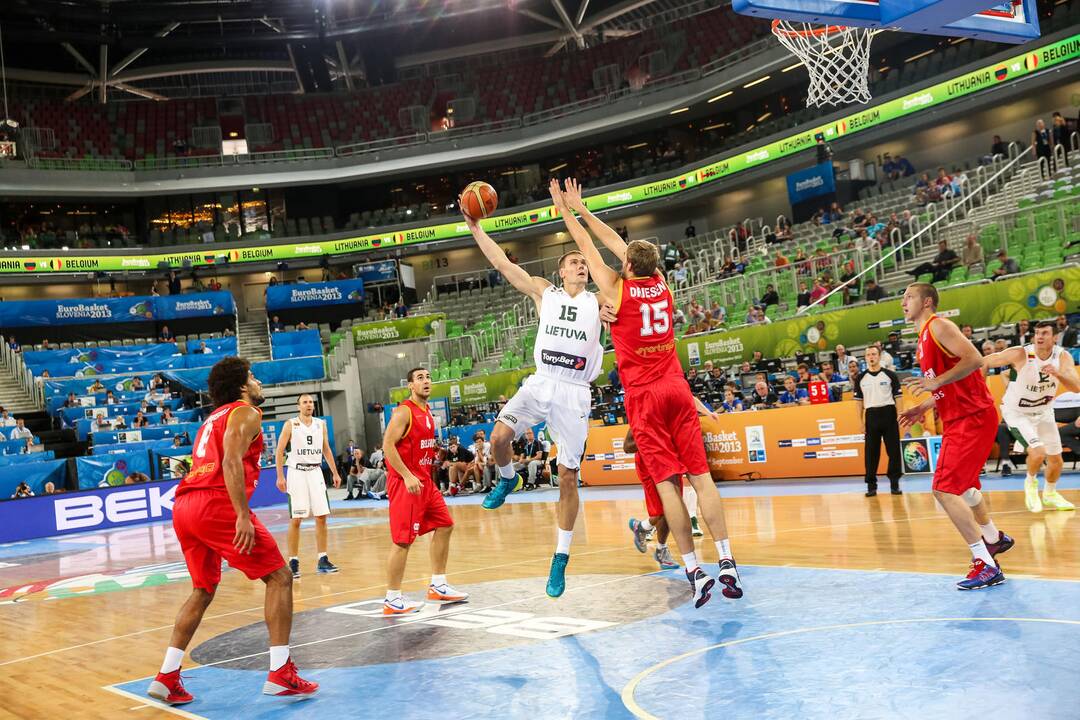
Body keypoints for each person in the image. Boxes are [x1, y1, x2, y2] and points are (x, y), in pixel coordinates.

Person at [554, 176, 742, 608]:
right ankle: (727, 558)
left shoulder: (617, 291)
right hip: (678, 388)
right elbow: (627, 251)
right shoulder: (663, 286)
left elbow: (586, 246)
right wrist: (584, 210)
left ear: (626, 266)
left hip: (646, 396)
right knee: (702, 479)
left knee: (668, 486)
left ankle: (694, 569)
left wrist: (569, 211)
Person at [465, 183, 604, 599]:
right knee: (498, 438)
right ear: (562, 270)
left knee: (567, 477)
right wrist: (475, 229)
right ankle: (507, 480)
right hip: (541, 381)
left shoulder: (601, 302)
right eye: (575, 261)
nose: (581, 265)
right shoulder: (545, 292)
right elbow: (504, 266)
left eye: (584, 262)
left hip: (576, 391)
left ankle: (560, 557)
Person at [150, 357, 317, 706]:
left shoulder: (211, 418)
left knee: (202, 590)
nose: (258, 382)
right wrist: (241, 513)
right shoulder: (246, 412)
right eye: (253, 377)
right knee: (280, 577)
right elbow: (228, 461)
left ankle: (167, 676)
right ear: (242, 386)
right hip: (216, 504)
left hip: (185, 506)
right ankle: (280, 671)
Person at [899, 284, 1013, 590]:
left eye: (908, 297)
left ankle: (985, 564)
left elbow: (974, 360)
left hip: (972, 418)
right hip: (962, 418)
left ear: (926, 302)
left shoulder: (939, 327)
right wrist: (924, 405)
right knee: (965, 489)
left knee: (944, 489)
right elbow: (948, 384)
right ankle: (993, 538)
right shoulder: (924, 338)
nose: (902, 302)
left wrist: (934, 382)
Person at [381, 368, 468, 614]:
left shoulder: (427, 412)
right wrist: (407, 475)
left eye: (428, 377)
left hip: (425, 483)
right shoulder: (404, 411)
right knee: (402, 541)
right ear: (410, 385)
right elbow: (388, 446)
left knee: (445, 524)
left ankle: (438, 586)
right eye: (420, 378)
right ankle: (391, 598)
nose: (426, 381)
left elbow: (420, 447)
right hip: (407, 484)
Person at [984, 321, 1079, 512]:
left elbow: (1076, 387)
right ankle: (1030, 484)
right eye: (1036, 333)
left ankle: (1050, 494)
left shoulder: (1062, 356)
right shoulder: (1021, 353)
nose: (1039, 337)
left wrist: (1058, 374)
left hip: (1044, 411)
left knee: (1056, 461)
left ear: (1055, 337)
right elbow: (985, 361)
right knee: (1038, 451)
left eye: (1044, 333)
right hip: (1017, 413)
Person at [275, 394, 342, 578]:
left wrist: (335, 472)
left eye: (311, 402)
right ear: (298, 406)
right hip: (296, 473)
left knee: (321, 516)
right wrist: (280, 476)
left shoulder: (321, 424)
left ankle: (322, 559)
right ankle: (293, 561)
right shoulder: (291, 424)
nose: (309, 404)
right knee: (296, 519)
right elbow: (280, 450)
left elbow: (326, 449)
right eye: (305, 402)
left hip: (315, 472)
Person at [625, 428, 680, 571]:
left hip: (671, 460)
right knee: (660, 511)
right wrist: (653, 440)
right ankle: (642, 527)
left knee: (673, 507)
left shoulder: (673, 415)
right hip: (649, 465)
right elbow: (627, 447)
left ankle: (659, 546)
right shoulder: (641, 417)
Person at [854, 346, 903, 496]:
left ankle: (894, 484)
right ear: (865, 358)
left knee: (894, 451)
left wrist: (899, 415)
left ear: (879, 356)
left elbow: (898, 397)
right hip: (871, 415)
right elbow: (858, 402)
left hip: (889, 413)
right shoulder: (861, 378)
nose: (871, 357)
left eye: (874, 354)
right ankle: (871, 485)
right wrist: (860, 422)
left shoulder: (890, 375)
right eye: (868, 355)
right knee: (871, 453)